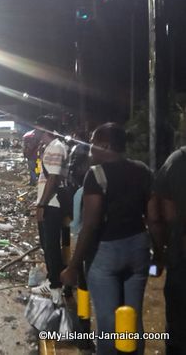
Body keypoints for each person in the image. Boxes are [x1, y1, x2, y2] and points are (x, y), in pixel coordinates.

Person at [60, 123, 152, 354]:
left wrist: (72, 266)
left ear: (105, 145)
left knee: (107, 321)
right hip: (139, 247)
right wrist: (158, 254)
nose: (90, 150)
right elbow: (153, 216)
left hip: (107, 252)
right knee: (134, 316)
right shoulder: (142, 170)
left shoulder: (96, 174)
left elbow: (90, 224)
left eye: (92, 144)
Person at [148, 147, 186, 353]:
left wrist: (159, 256)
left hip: (180, 259)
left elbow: (158, 215)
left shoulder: (177, 161)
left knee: (178, 329)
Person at [32, 115, 68, 305]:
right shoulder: (54, 146)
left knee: (51, 245)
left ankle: (55, 288)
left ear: (45, 130)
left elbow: (53, 179)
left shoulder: (55, 147)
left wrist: (41, 204)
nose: (35, 132)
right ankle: (53, 281)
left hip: (51, 204)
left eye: (37, 129)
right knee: (48, 245)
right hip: (50, 202)